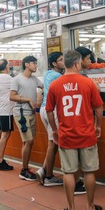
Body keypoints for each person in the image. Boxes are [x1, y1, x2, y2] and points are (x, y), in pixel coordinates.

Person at [46, 50, 104, 210]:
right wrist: (97, 125)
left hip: (66, 135)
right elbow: (99, 107)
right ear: (78, 64)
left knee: (69, 173)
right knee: (89, 172)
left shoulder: (55, 85)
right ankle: (91, 207)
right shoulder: (87, 83)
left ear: (65, 64)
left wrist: (55, 130)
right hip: (87, 134)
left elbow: (49, 110)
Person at [9, 55, 43, 181]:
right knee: (29, 141)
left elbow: (44, 87)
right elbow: (11, 96)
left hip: (31, 113)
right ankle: (24, 170)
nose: (36, 65)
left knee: (27, 141)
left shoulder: (35, 79)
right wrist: (28, 99)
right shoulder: (17, 79)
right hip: (21, 113)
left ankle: (25, 168)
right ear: (27, 64)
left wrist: (39, 94)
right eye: (34, 63)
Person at [36, 52, 64, 187]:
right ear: (54, 63)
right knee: (53, 144)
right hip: (52, 111)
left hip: (44, 110)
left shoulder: (47, 74)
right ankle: (48, 176)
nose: (63, 61)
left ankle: (44, 169)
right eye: (61, 60)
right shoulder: (58, 76)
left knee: (52, 143)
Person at [0, 58, 15, 171]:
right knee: (5, 135)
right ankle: (0, 160)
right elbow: (17, 87)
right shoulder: (8, 78)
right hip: (6, 111)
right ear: (6, 67)